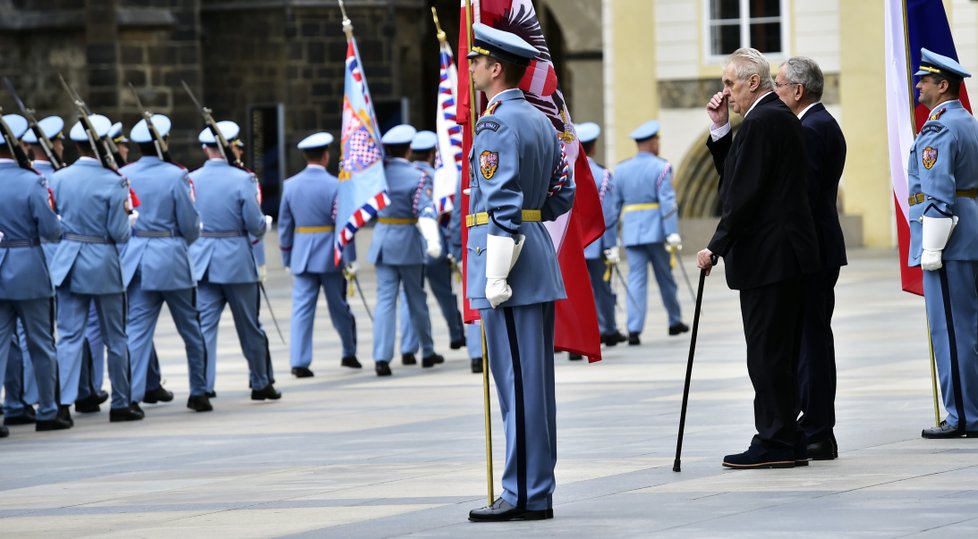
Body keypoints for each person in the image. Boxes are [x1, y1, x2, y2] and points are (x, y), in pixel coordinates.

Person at [464, 23, 575, 521]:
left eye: (476, 61)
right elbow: (562, 195)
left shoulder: (495, 125)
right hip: (532, 257)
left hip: (506, 263)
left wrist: (496, 271)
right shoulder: (541, 122)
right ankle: (536, 488)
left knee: (518, 385)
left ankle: (522, 493)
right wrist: (530, 222)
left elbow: (502, 203)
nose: (470, 68)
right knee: (533, 383)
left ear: (496, 68)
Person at [696, 47, 819, 468]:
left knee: (767, 353)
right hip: (786, 257)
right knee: (779, 352)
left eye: (730, 83)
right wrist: (719, 130)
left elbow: (740, 197)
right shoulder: (774, 119)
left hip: (771, 258)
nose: (725, 92)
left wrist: (716, 246)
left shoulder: (762, 122)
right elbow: (741, 176)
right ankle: (788, 435)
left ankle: (775, 440)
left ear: (753, 82)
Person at [774, 56, 847, 459]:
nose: (776, 91)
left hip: (811, 251)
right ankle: (817, 425)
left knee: (810, 341)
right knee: (812, 338)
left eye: (780, 85)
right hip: (821, 247)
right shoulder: (822, 124)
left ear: (798, 91)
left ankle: (817, 428)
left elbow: (799, 196)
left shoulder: (810, 129)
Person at [50, 114, 143, 423]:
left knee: (70, 336)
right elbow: (119, 232)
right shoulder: (114, 181)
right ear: (102, 144)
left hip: (69, 260)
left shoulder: (58, 177)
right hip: (102, 261)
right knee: (115, 337)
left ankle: (63, 404)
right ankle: (121, 402)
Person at [907, 48, 978, 439]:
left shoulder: (938, 130)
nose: (919, 86)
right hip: (970, 233)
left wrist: (932, 246)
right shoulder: (967, 121)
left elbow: (938, 193)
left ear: (943, 85)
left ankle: (964, 416)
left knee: (951, 330)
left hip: (948, 239)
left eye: (925, 80)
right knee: (970, 328)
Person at [121, 114, 210, 411]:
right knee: (190, 329)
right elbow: (189, 223)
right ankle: (199, 390)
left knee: (137, 332)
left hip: (137, 255)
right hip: (171, 255)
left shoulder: (124, 173)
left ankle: (130, 397)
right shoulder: (176, 175)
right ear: (164, 142)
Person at [189, 120, 279, 405]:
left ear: (206, 150)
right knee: (250, 326)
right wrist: (265, 224)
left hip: (202, 259)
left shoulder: (191, 178)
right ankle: (260, 381)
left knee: (203, 328)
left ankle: (201, 387)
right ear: (231, 148)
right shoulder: (243, 179)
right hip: (237, 259)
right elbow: (254, 225)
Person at [0, 113, 71, 434]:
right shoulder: (32, 181)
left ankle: (13, 406)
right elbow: (51, 229)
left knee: (3, 344)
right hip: (28, 263)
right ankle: (48, 409)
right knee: (40, 342)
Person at [278, 131, 360, 377]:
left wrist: (286, 256)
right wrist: (349, 258)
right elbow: (344, 224)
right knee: (339, 307)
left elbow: (284, 225)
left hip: (302, 252)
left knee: (301, 309)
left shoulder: (290, 185)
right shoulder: (336, 185)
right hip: (330, 253)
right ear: (325, 156)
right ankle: (348, 351)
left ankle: (299, 361)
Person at [369, 124, 444, 376]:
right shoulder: (417, 176)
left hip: (383, 239)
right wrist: (433, 240)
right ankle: (427, 349)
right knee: (416, 298)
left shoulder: (377, 173)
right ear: (409, 149)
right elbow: (424, 210)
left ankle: (381, 357)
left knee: (385, 301)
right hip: (409, 240)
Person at [610, 119, 688, 345]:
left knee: (636, 280)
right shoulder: (661, 167)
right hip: (657, 230)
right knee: (666, 278)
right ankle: (674, 321)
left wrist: (613, 235)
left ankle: (634, 328)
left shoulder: (621, 169)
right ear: (653, 143)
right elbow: (667, 202)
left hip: (633, 231)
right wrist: (672, 232)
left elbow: (615, 206)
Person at [397, 130, 466, 364]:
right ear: (431, 154)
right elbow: (446, 212)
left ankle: (408, 347)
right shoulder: (437, 177)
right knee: (444, 291)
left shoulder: (403, 173)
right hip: (434, 241)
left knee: (410, 295)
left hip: (409, 243)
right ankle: (455, 333)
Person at [576, 122, 626, 348]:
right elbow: (609, 214)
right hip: (595, 243)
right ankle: (607, 329)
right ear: (593, 147)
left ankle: (577, 337)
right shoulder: (602, 176)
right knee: (602, 288)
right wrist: (610, 244)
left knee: (574, 291)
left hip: (572, 244)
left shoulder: (565, 172)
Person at [449, 171, 484, 374]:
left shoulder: (465, 170)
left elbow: (458, 213)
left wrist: (455, 246)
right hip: (503, 238)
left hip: (474, 242)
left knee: (475, 299)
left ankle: (477, 355)